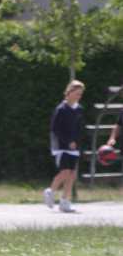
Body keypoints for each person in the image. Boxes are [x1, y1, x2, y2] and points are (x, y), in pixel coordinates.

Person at [44, 80, 85, 212]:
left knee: (72, 174)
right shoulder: (61, 109)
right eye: (77, 93)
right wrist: (68, 141)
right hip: (61, 146)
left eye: (80, 94)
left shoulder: (79, 109)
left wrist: (77, 142)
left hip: (74, 147)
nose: (79, 96)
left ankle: (65, 202)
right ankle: (50, 191)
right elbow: (55, 129)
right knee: (65, 172)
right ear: (69, 92)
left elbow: (80, 128)